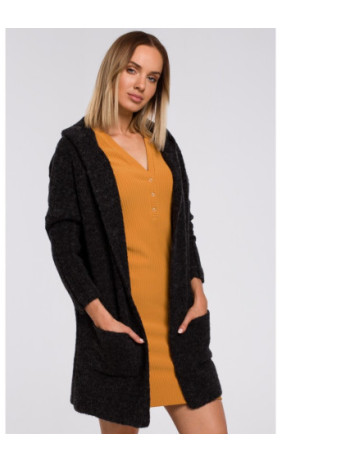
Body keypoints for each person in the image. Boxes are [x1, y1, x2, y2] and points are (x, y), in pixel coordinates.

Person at [45, 30, 227, 434]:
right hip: (122, 331)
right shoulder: (76, 149)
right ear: (113, 70)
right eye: (132, 70)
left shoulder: (164, 144)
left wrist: (198, 288)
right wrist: (99, 316)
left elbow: (183, 226)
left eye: (152, 77)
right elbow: (64, 245)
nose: (141, 84)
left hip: (180, 328)